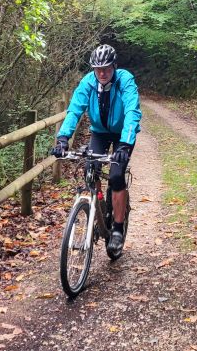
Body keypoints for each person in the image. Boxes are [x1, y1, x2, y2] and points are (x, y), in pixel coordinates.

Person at [51, 44, 141, 253]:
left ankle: (117, 229)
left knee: (117, 176)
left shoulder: (125, 80)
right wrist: (63, 138)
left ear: (114, 67)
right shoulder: (88, 83)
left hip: (122, 135)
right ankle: (98, 210)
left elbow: (132, 112)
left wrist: (126, 143)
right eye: (97, 69)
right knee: (90, 170)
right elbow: (74, 110)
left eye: (107, 68)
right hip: (99, 132)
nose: (102, 73)